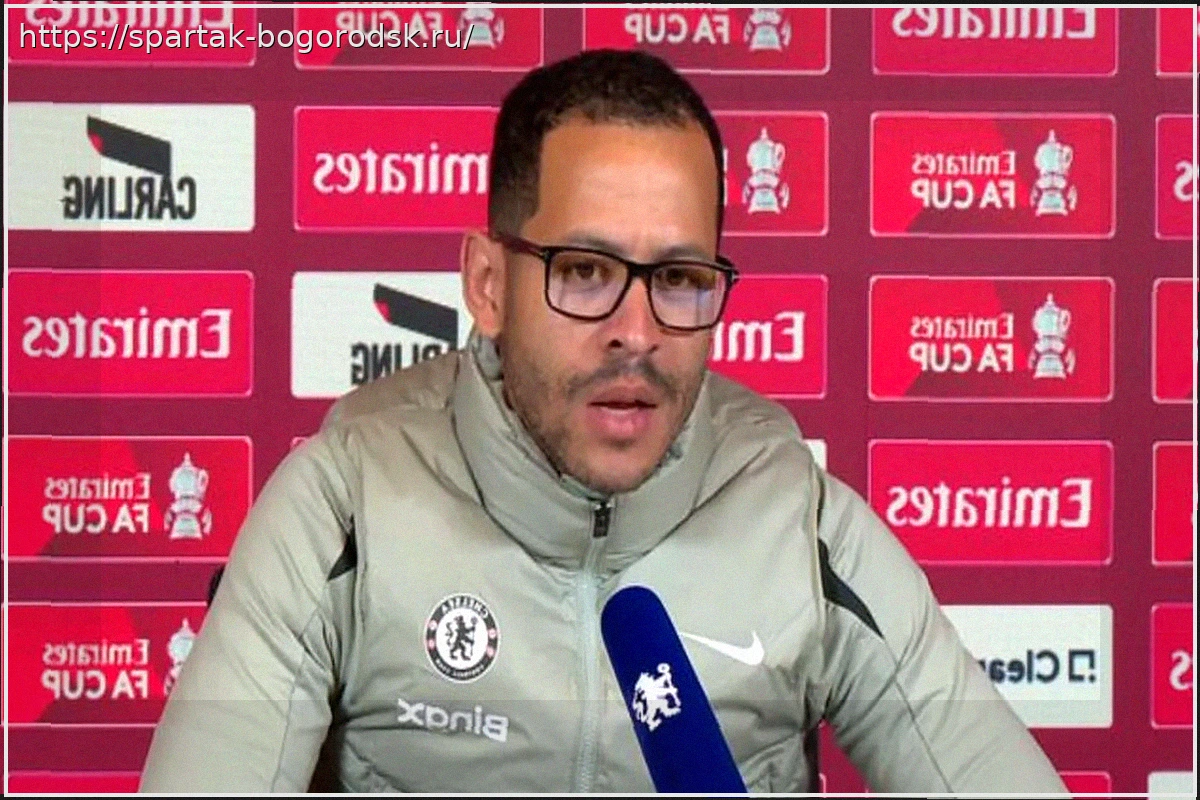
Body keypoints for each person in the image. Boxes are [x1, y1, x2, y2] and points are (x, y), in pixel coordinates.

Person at [140, 49, 1069, 794]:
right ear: (488, 284)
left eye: (679, 279)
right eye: (584, 272)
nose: (637, 333)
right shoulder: (342, 505)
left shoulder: (800, 522)